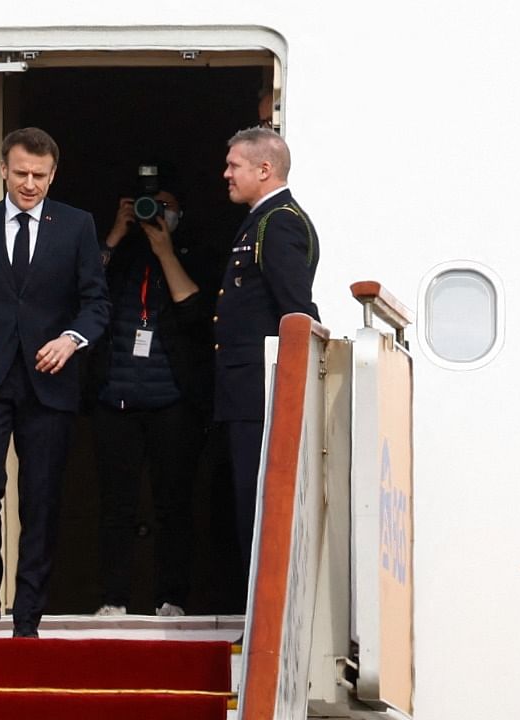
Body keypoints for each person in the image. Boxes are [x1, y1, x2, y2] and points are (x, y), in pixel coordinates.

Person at [0, 127, 109, 638]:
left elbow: (96, 302)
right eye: (22, 173)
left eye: (40, 176)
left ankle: (28, 613)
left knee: (42, 497)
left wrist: (72, 338)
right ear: (3, 169)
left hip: (50, 382)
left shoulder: (76, 226)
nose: (30, 184)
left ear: (53, 175)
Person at [89, 171, 217, 618]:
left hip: (173, 404)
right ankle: (113, 599)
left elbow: (195, 313)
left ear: (180, 213)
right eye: (147, 206)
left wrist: (164, 251)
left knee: (174, 506)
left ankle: (173, 599)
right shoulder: (117, 255)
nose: (154, 215)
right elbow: (81, 292)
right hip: (115, 401)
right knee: (115, 507)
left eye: (164, 207)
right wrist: (116, 234)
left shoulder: (193, 255)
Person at [215, 127, 319, 584]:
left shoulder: (279, 223)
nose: (226, 174)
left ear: (265, 169)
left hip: (263, 395)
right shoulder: (261, 219)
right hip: (244, 393)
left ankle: (258, 614)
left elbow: (297, 313)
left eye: (234, 165)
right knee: (242, 504)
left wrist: (293, 395)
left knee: (256, 504)